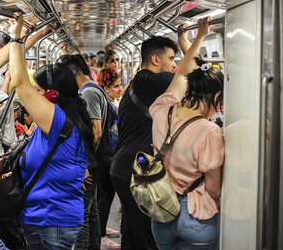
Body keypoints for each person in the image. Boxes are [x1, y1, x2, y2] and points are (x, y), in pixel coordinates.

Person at [6, 13, 96, 250]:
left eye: (38, 90)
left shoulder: (57, 119)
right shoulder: (63, 119)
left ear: (52, 95)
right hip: (49, 218)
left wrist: (16, 39)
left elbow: (19, 84)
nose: (32, 94)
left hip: (51, 220)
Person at [150, 18, 224, 250]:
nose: (220, 108)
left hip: (161, 211)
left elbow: (181, 74)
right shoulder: (210, 131)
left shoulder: (162, 109)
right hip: (195, 216)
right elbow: (213, 189)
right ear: (214, 96)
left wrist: (198, 36)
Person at [110, 35, 178, 250]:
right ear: (156, 59)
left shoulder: (138, 81)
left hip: (124, 165)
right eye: (172, 58)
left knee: (132, 229)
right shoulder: (148, 81)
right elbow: (188, 74)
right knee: (147, 236)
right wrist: (198, 38)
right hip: (133, 167)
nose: (174, 64)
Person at [59, 54, 106, 250]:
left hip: (90, 163)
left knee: (82, 217)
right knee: (92, 211)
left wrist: (83, 165)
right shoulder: (91, 90)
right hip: (94, 161)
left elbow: (96, 132)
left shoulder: (88, 94)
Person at [96, 67, 122, 249]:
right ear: (106, 88)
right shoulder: (108, 105)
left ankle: (102, 227)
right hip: (105, 156)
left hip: (105, 154)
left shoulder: (106, 103)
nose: (120, 90)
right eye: (116, 86)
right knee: (106, 196)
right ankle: (101, 236)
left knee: (103, 196)